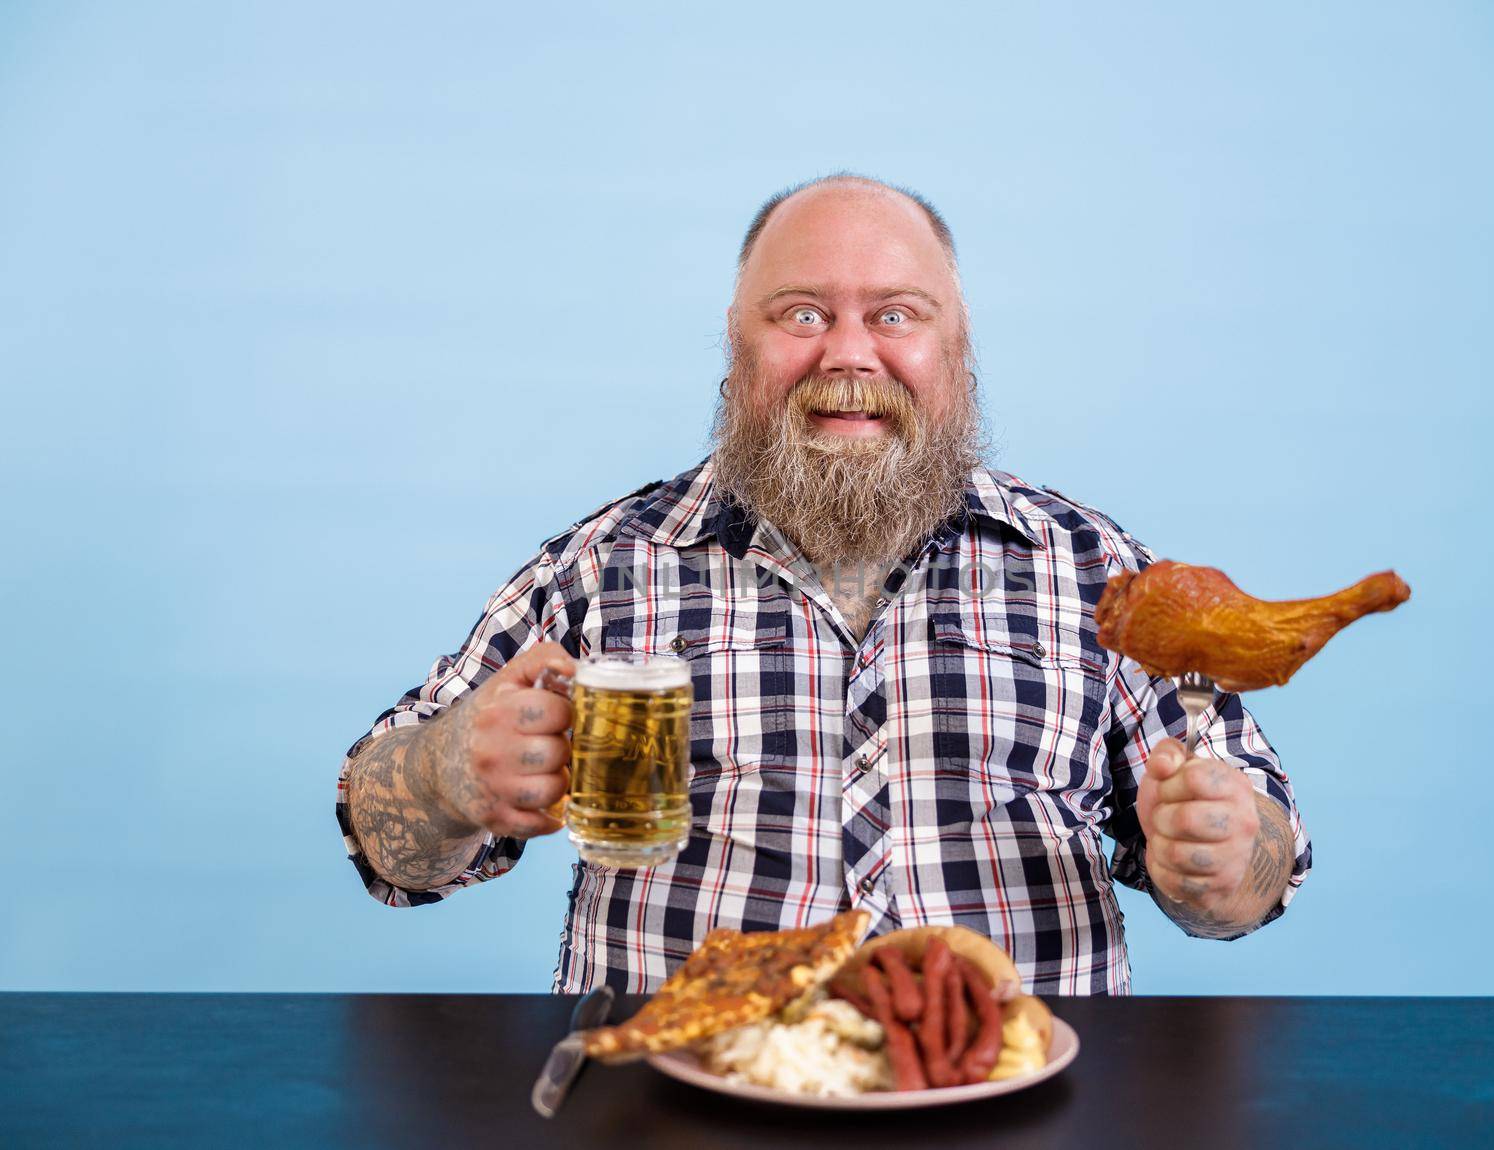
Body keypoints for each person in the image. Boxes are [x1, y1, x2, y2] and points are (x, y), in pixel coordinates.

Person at [335, 173, 1311, 994]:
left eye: (895, 315)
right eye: (801, 313)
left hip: (1016, 1103)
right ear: (736, 337)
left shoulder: (1094, 570)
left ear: (955, 341)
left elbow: (1261, 867)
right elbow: (383, 843)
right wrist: (443, 773)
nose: (848, 353)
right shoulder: (603, 566)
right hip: (673, 1112)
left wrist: (1225, 857)